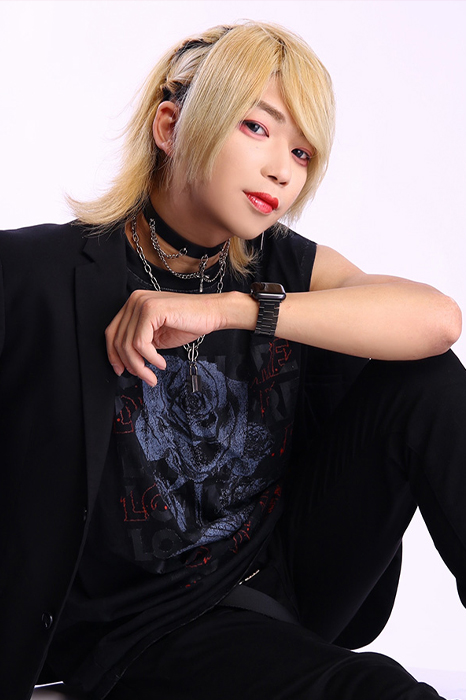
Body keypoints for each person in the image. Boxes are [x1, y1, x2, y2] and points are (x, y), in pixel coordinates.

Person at [0, 20, 464, 700]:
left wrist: (235, 310)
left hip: (285, 580)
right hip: (150, 628)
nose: (282, 168)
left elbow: (437, 320)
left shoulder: (279, 267)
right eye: (257, 127)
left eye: (302, 151)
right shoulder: (35, 274)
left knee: (425, 379)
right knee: (372, 690)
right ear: (169, 127)